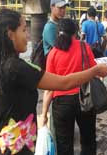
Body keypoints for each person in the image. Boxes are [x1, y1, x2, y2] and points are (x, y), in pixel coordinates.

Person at [0, 9, 107, 155]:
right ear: (10, 34)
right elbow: (63, 83)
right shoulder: (18, 68)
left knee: (64, 145)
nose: (27, 36)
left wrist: (17, 120)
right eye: (24, 30)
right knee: (88, 141)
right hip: (19, 149)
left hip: (4, 145)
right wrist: (95, 71)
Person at [41, 18, 98, 155]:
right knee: (88, 140)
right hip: (84, 99)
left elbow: (49, 88)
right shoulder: (84, 47)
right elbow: (93, 72)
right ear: (75, 32)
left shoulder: (53, 53)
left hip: (61, 104)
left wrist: (44, 114)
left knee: (64, 145)